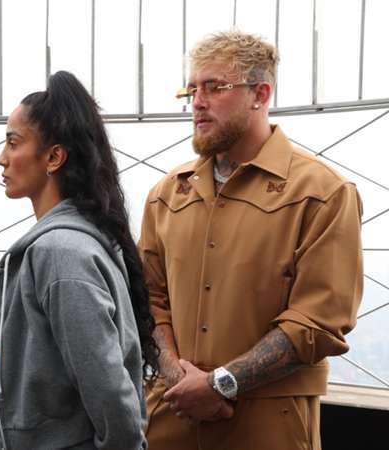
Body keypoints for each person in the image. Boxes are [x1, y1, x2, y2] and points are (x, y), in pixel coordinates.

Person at [140, 30, 363, 450]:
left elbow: (319, 320)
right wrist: (180, 381)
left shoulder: (322, 193)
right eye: (192, 89)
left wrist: (221, 384)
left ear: (260, 93)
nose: (197, 101)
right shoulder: (167, 194)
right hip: (171, 419)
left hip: (267, 428)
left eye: (214, 87)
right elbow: (149, 299)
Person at [0, 71, 158, 450]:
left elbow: (108, 389)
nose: (1, 158)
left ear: (54, 156)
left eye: (13, 143)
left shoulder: (60, 252)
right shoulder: (78, 242)